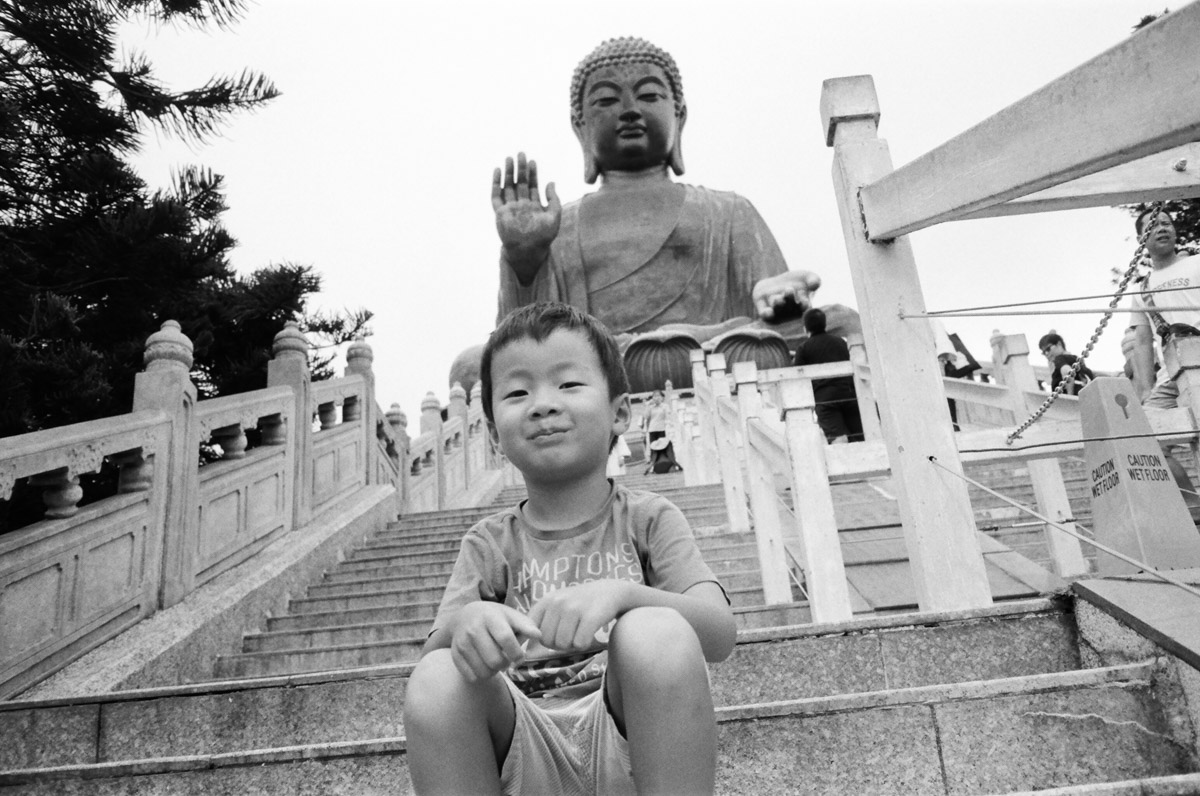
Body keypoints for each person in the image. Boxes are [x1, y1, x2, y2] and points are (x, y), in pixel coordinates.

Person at [404, 302, 736, 795]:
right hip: (523, 744)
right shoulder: (488, 544)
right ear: (494, 433)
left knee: (656, 631)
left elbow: (719, 633)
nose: (543, 404)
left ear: (619, 411)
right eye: (518, 392)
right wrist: (463, 623)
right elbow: (431, 660)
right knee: (438, 676)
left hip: (630, 740)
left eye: (569, 384)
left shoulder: (648, 519)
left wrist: (625, 596)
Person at [489, 37, 856, 346]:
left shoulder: (727, 211)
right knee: (474, 366)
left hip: (718, 350)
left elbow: (773, 304)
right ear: (579, 125)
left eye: (648, 96)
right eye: (606, 101)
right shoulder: (559, 226)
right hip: (600, 367)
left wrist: (779, 298)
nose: (630, 110)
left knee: (842, 324)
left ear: (679, 116)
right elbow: (524, 343)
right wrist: (525, 260)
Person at [1126, 207, 1200, 509]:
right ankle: (1193, 507)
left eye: (1167, 223)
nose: (1162, 228)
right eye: (1153, 225)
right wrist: (1145, 388)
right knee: (1143, 438)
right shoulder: (1141, 288)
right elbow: (1143, 340)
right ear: (1142, 240)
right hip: (1172, 371)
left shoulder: (1197, 263)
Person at [792, 308, 863, 444]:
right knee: (859, 437)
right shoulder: (841, 342)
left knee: (838, 439)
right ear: (825, 324)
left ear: (805, 328)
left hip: (825, 400)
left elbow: (798, 378)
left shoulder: (804, 348)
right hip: (849, 394)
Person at [1037, 331, 1094, 395]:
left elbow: (1067, 372)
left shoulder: (1059, 359)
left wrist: (1070, 396)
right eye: (1043, 352)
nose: (1046, 354)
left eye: (1048, 349)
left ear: (1059, 344)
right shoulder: (1076, 359)